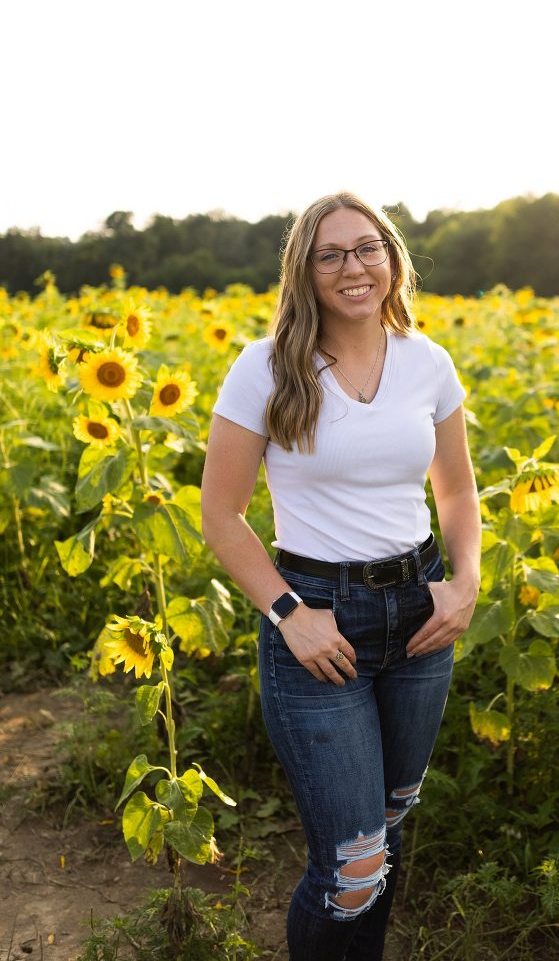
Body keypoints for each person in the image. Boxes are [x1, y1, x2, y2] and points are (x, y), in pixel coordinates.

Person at [201, 191, 481, 961]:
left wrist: (465, 584)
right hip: (320, 619)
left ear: (392, 257)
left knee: (385, 832)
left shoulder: (427, 361)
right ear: (306, 270)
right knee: (353, 868)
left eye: (367, 248)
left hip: (421, 615)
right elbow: (220, 515)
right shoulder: (264, 368)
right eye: (331, 254)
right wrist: (290, 611)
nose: (353, 266)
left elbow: (456, 490)